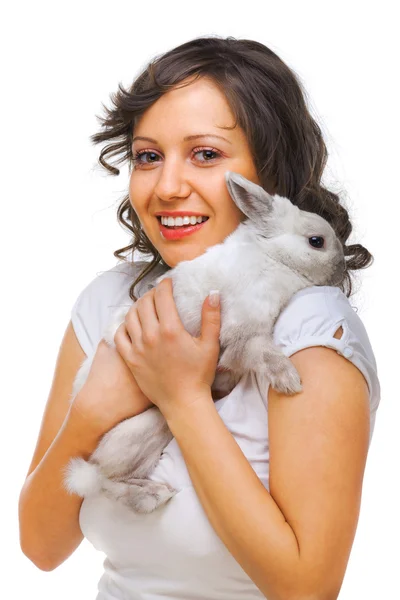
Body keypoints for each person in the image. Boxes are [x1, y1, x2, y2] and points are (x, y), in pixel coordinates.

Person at [18, 36, 381, 600]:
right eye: (147, 156)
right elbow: (41, 548)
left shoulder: (309, 327)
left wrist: (182, 396)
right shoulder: (109, 300)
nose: (166, 187)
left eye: (206, 154)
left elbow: (307, 590)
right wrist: (92, 413)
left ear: (269, 180)